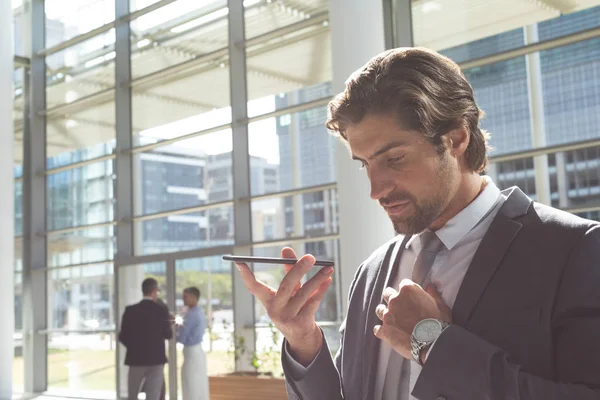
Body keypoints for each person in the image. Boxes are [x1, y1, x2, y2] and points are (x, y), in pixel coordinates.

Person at [235, 47, 600, 399]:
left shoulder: (573, 249)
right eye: (365, 164)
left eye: (394, 158)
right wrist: (302, 340)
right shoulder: (372, 271)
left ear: (457, 138)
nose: (375, 190)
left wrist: (431, 341)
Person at [119, 278, 173, 400]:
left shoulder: (130, 311)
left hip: (135, 359)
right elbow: (168, 335)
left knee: (132, 395)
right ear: (154, 291)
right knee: (153, 396)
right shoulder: (161, 310)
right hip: (156, 360)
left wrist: (135, 347)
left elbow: (123, 336)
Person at [177, 287, 210, 400]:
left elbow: (181, 337)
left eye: (185, 297)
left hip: (191, 352)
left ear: (194, 297)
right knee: (198, 385)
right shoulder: (199, 312)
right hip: (197, 352)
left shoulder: (191, 314)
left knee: (191, 385)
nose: (183, 299)